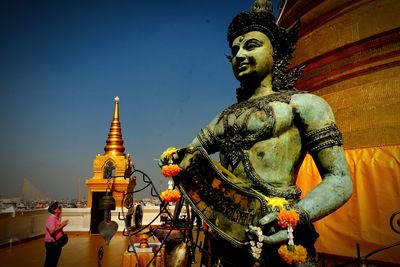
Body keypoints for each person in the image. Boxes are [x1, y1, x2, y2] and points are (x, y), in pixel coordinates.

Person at [162, 1, 353, 266]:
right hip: (226, 241)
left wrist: (297, 215)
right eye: (235, 49)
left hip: (282, 234)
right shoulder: (224, 118)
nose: (239, 54)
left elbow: (340, 180)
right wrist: (176, 161)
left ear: (277, 53)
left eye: (251, 45)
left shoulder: (304, 105)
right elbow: (192, 159)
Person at [43, 201, 69, 267]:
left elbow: (58, 229)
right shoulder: (51, 218)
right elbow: (52, 232)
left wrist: (62, 226)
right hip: (51, 243)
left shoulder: (57, 218)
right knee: (50, 261)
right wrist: (62, 225)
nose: (60, 209)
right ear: (54, 210)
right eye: (59, 208)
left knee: (54, 261)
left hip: (56, 242)